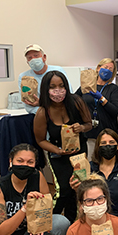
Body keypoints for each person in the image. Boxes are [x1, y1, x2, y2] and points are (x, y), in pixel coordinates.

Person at [34, 70, 91, 223]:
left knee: (79, 188)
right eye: (52, 87)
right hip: (57, 155)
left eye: (61, 86)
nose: (57, 91)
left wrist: (82, 128)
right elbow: (40, 140)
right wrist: (57, 150)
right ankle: (49, 223)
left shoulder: (76, 102)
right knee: (63, 190)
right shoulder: (42, 112)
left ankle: (72, 223)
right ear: (46, 89)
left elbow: (89, 124)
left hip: (79, 152)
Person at [71, 128, 118, 235]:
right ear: (98, 146)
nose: (107, 145)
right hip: (94, 219)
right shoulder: (89, 168)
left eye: (111, 142)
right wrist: (76, 188)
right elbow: (83, 198)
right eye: (103, 143)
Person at [75, 58, 118, 160]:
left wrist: (101, 98)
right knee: (91, 163)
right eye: (105, 67)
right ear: (98, 68)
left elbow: (114, 111)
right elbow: (74, 101)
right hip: (89, 134)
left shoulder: (113, 88)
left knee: (106, 161)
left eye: (111, 69)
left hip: (107, 133)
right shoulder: (87, 86)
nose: (107, 70)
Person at [18, 44, 72, 114]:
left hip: (62, 113)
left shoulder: (57, 71)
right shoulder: (24, 77)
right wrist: (46, 112)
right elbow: (28, 106)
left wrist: (41, 103)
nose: (33, 59)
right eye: (29, 57)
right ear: (27, 62)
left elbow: (68, 95)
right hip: (39, 115)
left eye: (36, 55)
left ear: (44, 57)